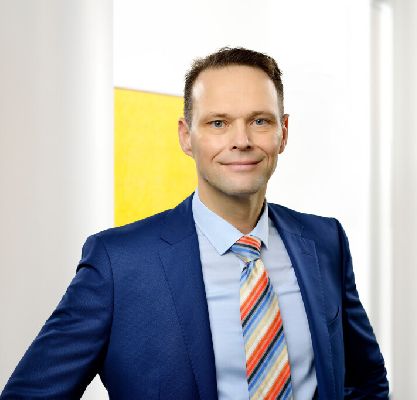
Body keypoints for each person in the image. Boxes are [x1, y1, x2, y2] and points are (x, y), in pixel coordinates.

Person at [1, 47, 388, 399]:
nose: (241, 140)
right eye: (218, 123)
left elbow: (365, 381)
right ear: (186, 137)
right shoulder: (118, 263)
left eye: (259, 121)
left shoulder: (325, 241)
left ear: (283, 132)